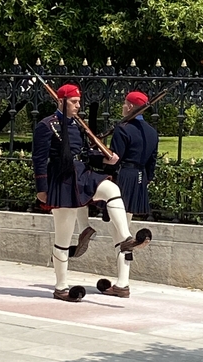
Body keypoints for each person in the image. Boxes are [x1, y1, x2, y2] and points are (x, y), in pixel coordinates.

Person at [32, 84, 151, 302]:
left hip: (82, 174)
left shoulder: (78, 125)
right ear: (61, 102)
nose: (78, 105)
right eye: (74, 102)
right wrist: (42, 188)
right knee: (63, 238)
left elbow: (85, 153)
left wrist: (105, 158)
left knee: (112, 188)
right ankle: (61, 287)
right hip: (62, 180)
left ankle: (125, 239)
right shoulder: (47, 125)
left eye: (79, 101)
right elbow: (39, 159)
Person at [96, 90, 158, 299]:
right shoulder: (152, 132)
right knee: (124, 228)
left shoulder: (123, 129)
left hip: (123, 177)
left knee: (121, 235)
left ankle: (122, 283)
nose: (123, 107)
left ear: (131, 107)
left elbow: (115, 160)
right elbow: (152, 164)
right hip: (139, 178)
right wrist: (144, 180)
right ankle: (122, 281)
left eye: (125, 104)